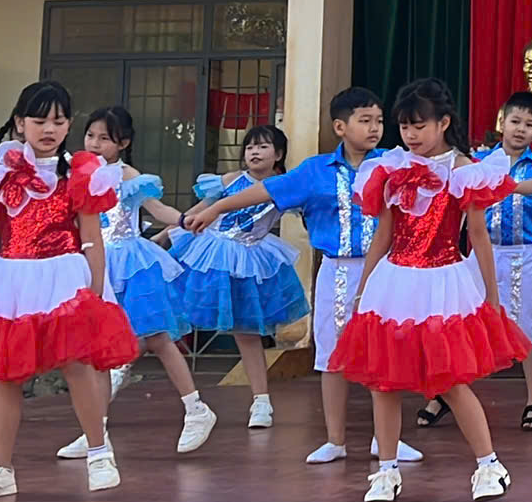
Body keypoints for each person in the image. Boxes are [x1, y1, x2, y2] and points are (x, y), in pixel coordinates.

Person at [181, 87, 423, 469]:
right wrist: (216, 209)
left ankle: (387, 439)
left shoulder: (393, 164)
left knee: (386, 354)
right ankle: (335, 440)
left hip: (387, 270)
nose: (374, 128)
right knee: (331, 355)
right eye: (365, 120)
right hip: (336, 270)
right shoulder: (314, 171)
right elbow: (266, 190)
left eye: (378, 120)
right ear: (340, 126)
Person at [332, 79, 532, 502]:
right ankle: (386, 471)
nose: (410, 135)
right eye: (405, 126)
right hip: (394, 284)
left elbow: (477, 235)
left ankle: (489, 465)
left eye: (419, 125)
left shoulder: (464, 170)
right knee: (383, 382)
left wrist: (492, 296)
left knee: (451, 379)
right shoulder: (391, 167)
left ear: (443, 122)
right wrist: (363, 289)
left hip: (442, 282)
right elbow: (383, 235)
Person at [0, 81, 135, 501]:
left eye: (59, 121)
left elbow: (91, 240)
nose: (49, 129)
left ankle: (99, 453)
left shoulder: (81, 174)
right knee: (6, 374)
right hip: (12, 281)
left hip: (64, 277)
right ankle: (0, 469)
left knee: (76, 365)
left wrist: (95, 291)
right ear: (20, 122)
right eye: (40, 120)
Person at [55, 107, 216, 461]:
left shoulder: (127, 176)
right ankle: (95, 431)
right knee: (96, 349)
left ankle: (196, 408)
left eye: (105, 138)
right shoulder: (77, 173)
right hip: (96, 263)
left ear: (123, 143)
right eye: (90, 136)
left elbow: (156, 209)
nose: (95, 144)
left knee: (157, 337)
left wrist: (185, 220)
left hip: (131, 263)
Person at [417, 92, 532, 433]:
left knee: (531, 327)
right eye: (515, 121)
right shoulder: (477, 161)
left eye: (529, 124)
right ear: (502, 122)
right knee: (459, 322)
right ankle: (443, 393)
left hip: (525, 253)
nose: (520, 129)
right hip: (481, 252)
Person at [167, 123, 305, 429]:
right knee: (172, 309)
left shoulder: (284, 187)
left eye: (263, 146)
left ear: (278, 154)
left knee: (247, 331)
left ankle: (261, 402)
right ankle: (123, 366)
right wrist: (166, 234)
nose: (254, 152)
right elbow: (200, 210)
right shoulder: (231, 180)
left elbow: (309, 209)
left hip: (250, 260)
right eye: (250, 147)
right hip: (211, 254)